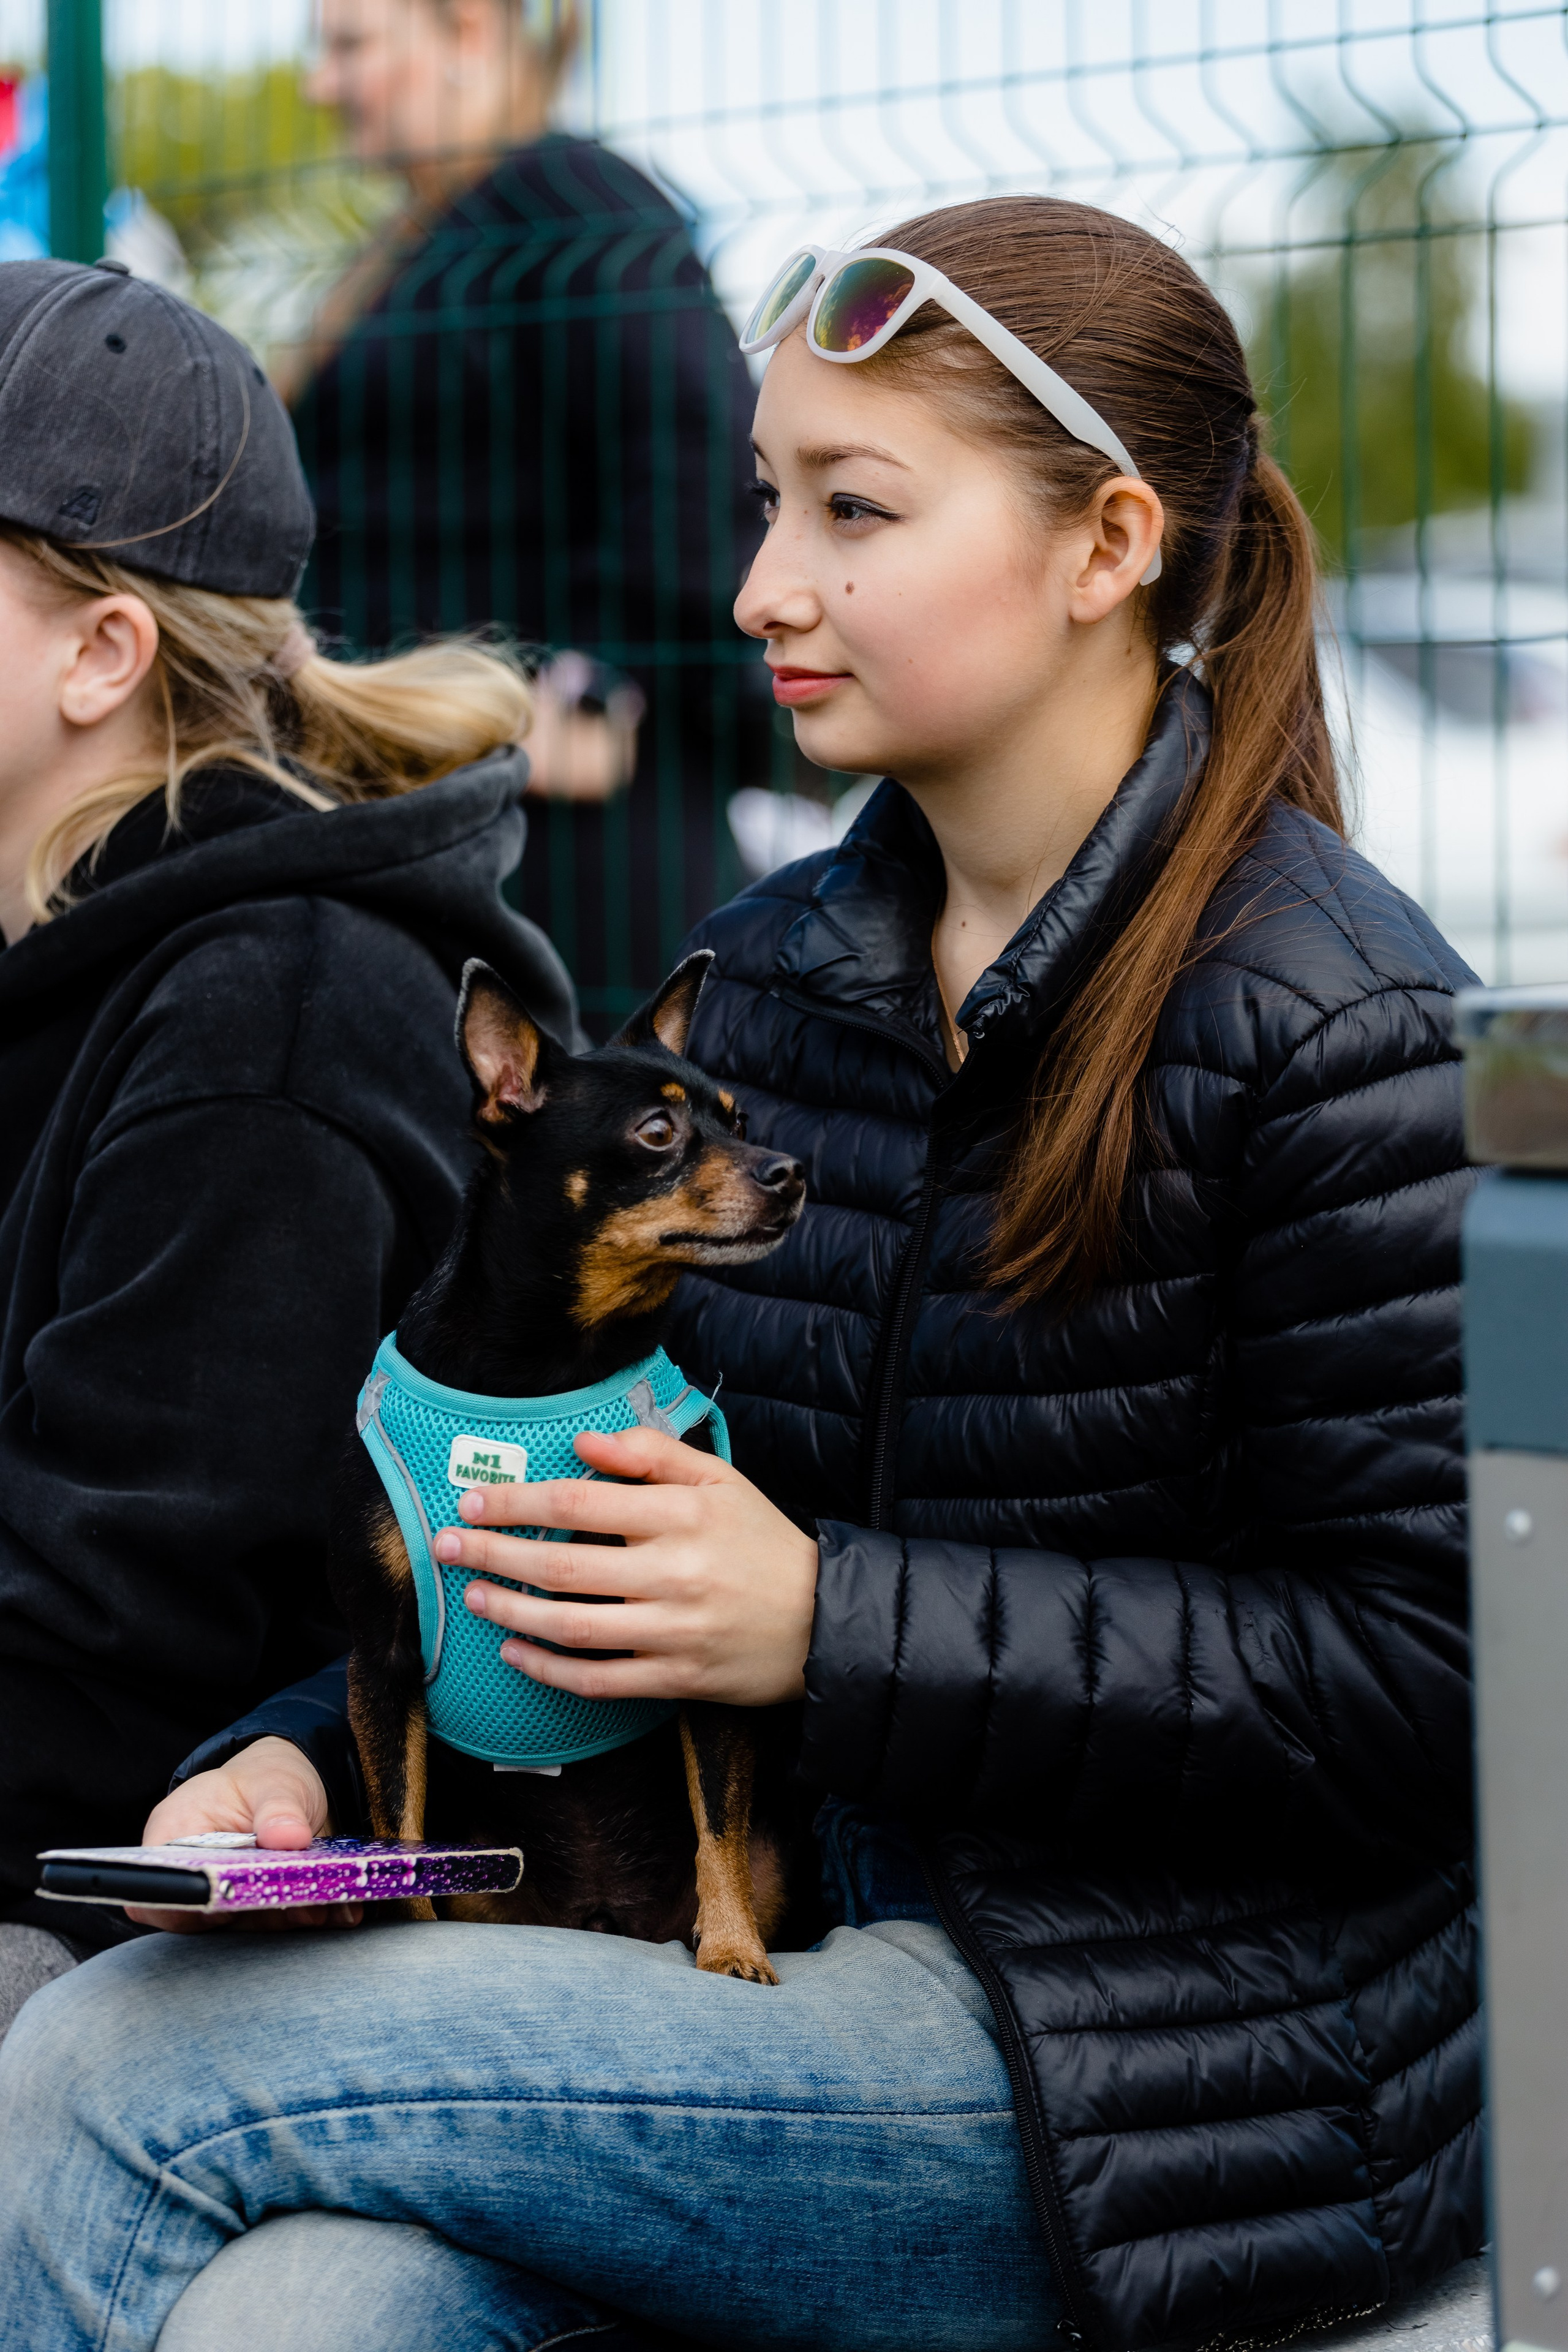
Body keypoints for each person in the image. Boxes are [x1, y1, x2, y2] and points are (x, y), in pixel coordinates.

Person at [0, 197, 1480, 2352]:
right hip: (744, 1943)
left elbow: (1421, 1686)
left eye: (851, 510)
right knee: (308, 2309)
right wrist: (301, 1758)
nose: (756, 589)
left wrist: (829, 1622)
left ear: (1109, 546)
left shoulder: (1342, 1029)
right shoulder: (768, 995)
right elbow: (586, 1527)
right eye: (766, 501)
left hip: (1167, 2077)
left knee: (115, 2062)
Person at [0, 255, 575, 2035]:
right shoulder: (57, 941)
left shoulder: (272, 1016)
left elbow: (105, 1670)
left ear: (105, 653)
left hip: (157, 1921)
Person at [285, 0, 777, 1032]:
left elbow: (698, 439)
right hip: (457, 806)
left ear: (468, 34)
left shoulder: (569, 196)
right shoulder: (437, 234)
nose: (319, 85)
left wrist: (606, 680)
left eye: (350, 47)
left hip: (571, 828)